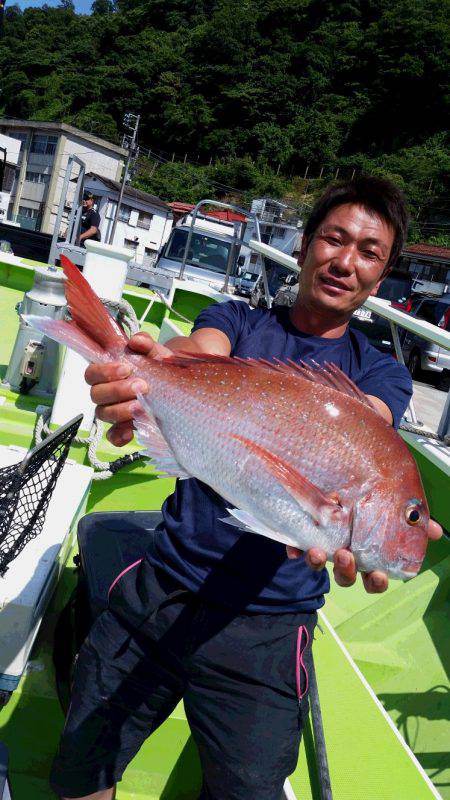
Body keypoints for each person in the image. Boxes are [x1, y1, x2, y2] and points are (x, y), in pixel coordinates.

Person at [51, 176, 442, 800]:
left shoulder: (382, 375)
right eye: (333, 240)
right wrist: (145, 369)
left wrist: (394, 514)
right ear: (307, 245)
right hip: (165, 585)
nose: (345, 261)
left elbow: (372, 423)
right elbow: (196, 350)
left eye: (368, 252)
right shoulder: (237, 321)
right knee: (83, 768)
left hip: (269, 629)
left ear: (383, 272)